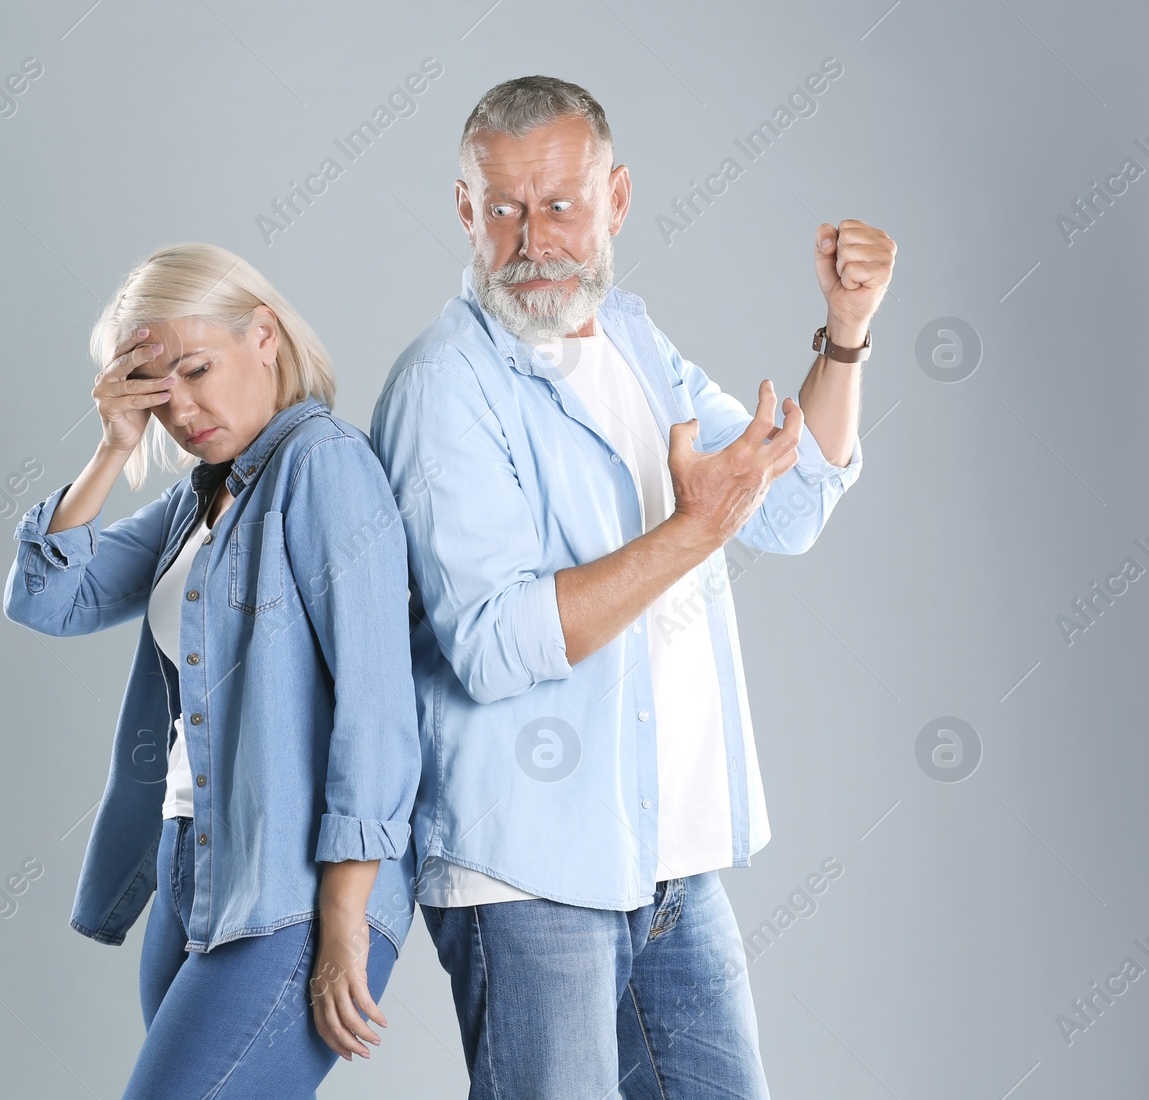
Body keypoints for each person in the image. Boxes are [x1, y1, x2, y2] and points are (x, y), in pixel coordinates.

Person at [369, 76, 895, 1098]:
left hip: (666, 856)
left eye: (559, 205)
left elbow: (787, 504)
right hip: (528, 870)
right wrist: (695, 527)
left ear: (613, 200)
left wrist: (845, 334)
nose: (533, 239)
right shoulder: (444, 387)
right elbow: (493, 639)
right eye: (505, 209)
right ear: (465, 210)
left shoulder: (635, 339)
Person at [3, 242, 421, 1097]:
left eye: (197, 370)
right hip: (191, 859)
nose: (182, 409)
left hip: (297, 885)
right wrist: (113, 448)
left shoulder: (323, 466)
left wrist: (345, 920)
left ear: (264, 335)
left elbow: (377, 706)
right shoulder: (199, 497)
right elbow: (48, 601)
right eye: (157, 394)